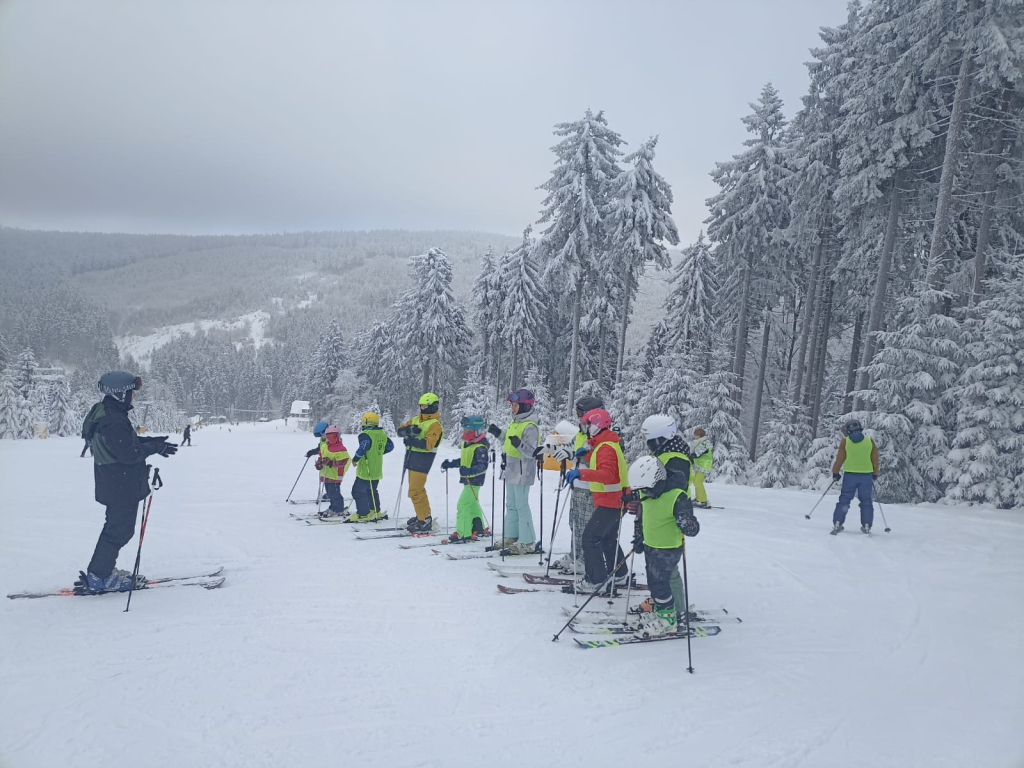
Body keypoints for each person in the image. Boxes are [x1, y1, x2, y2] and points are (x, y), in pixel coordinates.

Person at [77, 372, 178, 593]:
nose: (133, 397)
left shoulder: (112, 414)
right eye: (132, 392)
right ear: (120, 393)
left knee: (118, 529)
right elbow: (128, 453)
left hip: (117, 483)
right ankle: (99, 576)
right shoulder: (113, 420)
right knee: (118, 531)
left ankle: (101, 572)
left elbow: (126, 442)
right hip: (119, 485)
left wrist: (152, 442)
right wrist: (154, 448)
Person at [633, 414, 698, 624]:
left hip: (669, 519)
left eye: (652, 439)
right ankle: (663, 602)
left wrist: (681, 516)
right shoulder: (663, 453)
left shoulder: (676, 458)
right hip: (654, 516)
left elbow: (672, 489)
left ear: (664, 438)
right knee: (657, 570)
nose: (649, 444)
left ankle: (677, 609)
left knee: (668, 571)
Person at [626, 455, 699, 639]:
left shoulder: (676, 496)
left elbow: (692, 527)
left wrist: (687, 521)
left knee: (660, 584)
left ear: (657, 481)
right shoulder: (648, 492)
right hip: (651, 544)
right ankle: (663, 611)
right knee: (654, 580)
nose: (645, 493)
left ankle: (668, 621)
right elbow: (643, 515)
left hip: (668, 548)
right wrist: (639, 535)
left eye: (647, 489)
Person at [564, 407, 630, 592]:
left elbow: (608, 474)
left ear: (596, 426)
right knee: (608, 538)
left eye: (588, 425)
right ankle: (619, 573)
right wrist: (586, 455)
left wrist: (581, 473)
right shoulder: (605, 444)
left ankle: (596, 580)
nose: (585, 428)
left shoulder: (606, 446)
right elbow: (602, 461)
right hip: (615, 500)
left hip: (611, 501)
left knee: (590, 538)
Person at [548, 395, 604, 573]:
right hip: (577, 484)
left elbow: (593, 460)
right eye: (578, 413)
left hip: (590, 488)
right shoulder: (581, 432)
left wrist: (575, 458)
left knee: (586, 526)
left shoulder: (598, 434)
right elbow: (572, 450)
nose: (579, 417)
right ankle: (575, 555)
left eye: (581, 413)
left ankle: (585, 560)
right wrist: (555, 450)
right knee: (575, 523)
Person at [488, 388, 540, 555]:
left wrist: (519, 444)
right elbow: (509, 441)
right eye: (512, 405)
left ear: (525, 406)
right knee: (511, 505)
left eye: (516, 405)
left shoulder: (530, 426)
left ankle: (528, 541)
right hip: (510, 468)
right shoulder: (515, 422)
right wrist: (499, 434)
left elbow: (532, 452)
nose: (513, 408)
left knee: (521, 506)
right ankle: (511, 537)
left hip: (523, 471)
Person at [396, 393, 444, 533]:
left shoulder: (435, 425)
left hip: (424, 458)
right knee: (418, 489)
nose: (422, 408)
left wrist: (412, 440)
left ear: (432, 407)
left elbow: (428, 444)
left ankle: (423, 521)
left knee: (415, 491)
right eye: (421, 405)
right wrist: (408, 431)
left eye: (425, 406)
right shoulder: (417, 419)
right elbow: (400, 430)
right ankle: (423, 516)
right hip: (413, 457)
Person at [439, 416, 491, 543]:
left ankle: (463, 533)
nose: (465, 433)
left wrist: (469, 472)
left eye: (468, 431)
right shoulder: (468, 444)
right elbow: (465, 460)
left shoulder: (480, 447)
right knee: (472, 505)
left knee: (463, 505)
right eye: (464, 430)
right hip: (468, 481)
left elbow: (482, 466)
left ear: (477, 431)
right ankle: (478, 528)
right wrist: (451, 464)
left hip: (475, 481)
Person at [831, 419, 879, 534]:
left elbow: (839, 459)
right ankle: (866, 525)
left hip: (850, 476)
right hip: (866, 476)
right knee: (866, 501)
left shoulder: (845, 442)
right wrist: (875, 473)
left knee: (844, 500)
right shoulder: (869, 441)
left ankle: (838, 522)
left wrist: (836, 472)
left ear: (848, 431)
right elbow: (875, 459)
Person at [348, 412, 394, 523]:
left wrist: (355, 458)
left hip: (366, 470)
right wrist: (377, 453)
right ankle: (375, 511)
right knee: (371, 490)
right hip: (376, 470)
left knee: (357, 492)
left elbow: (364, 446)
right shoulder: (382, 434)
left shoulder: (365, 434)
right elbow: (390, 446)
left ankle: (363, 514)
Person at [316, 425, 350, 517]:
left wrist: (331, 463)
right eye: (328, 437)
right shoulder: (324, 446)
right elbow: (321, 456)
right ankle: (333, 507)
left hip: (335, 475)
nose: (331, 439)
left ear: (338, 436)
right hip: (326, 474)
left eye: (333, 437)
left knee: (334, 493)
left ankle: (338, 509)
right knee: (330, 493)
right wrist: (319, 463)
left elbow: (344, 462)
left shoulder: (341, 449)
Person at [305, 421, 329, 502]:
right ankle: (329, 493)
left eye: (322, 435)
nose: (322, 437)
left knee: (331, 480)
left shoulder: (332, 439)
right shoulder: (323, 439)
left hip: (332, 463)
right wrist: (311, 452)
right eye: (321, 436)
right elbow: (320, 449)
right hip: (324, 462)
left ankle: (332, 494)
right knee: (325, 479)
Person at [690, 427, 713, 508]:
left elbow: (697, 454)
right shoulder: (699, 443)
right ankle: (698, 498)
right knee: (696, 482)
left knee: (697, 482)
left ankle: (703, 501)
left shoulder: (704, 444)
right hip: (700, 466)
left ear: (700, 436)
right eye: (695, 435)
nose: (695, 437)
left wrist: (690, 456)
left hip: (704, 466)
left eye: (697, 435)